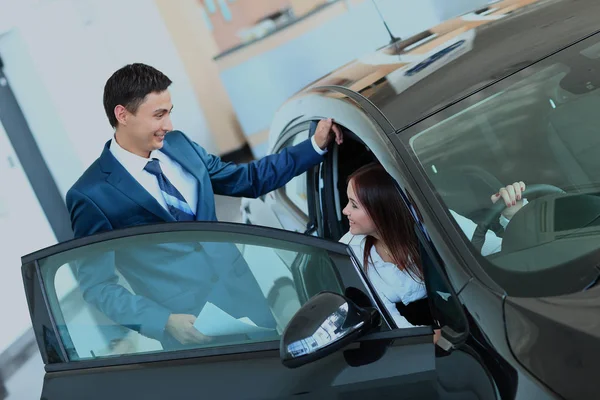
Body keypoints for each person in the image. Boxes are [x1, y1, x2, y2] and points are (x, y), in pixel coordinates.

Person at [66, 63, 343, 349]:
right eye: (158, 115)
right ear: (122, 114)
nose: (169, 126)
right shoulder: (90, 195)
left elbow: (247, 179)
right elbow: (98, 286)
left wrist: (314, 146)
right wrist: (163, 321)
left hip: (247, 304)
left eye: (169, 113)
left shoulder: (180, 145)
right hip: (189, 333)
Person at [340, 163, 525, 329]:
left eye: (354, 205)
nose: (345, 211)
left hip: (478, 315)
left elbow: (499, 252)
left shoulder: (436, 223)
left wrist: (512, 216)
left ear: (382, 210)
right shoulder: (350, 250)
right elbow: (390, 322)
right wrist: (429, 339)